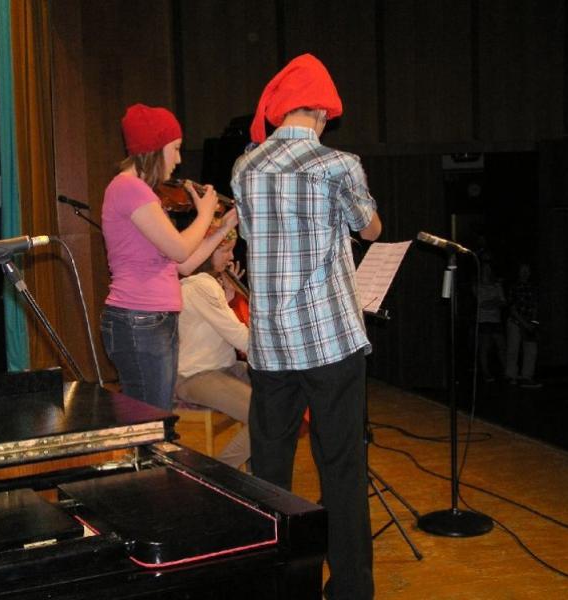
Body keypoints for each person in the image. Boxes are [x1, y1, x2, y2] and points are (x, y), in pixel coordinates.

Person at [231, 54, 381, 600]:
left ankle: (279, 586)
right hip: (330, 339)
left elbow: (251, 236)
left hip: (271, 345)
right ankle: (350, 590)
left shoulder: (244, 168)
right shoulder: (338, 164)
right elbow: (370, 228)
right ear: (320, 110)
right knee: (341, 467)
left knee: (270, 473)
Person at [101, 103, 238, 411]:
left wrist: (222, 228)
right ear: (154, 148)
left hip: (152, 320)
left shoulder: (142, 193)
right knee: (150, 418)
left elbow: (184, 264)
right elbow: (179, 249)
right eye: (175, 149)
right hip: (140, 319)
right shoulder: (129, 188)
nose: (178, 159)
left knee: (154, 415)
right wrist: (205, 214)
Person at [176, 228, 250, 469]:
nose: (231, 257)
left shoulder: (205, 285)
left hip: (222, 368)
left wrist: (227, 299)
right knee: (266, 415)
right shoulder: (201, 285)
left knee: (278, 398)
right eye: (225, 250)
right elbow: (239, 337)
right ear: (205, 252)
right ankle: (218, 475)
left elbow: (210, 329)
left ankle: (257, 477)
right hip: (197, 375)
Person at [505, 262, 541, 388]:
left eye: (527, 270)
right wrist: (524, 323)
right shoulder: (514, 287)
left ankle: (527, 377)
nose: (525, 272)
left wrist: (533, 323)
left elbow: (535, 306)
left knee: (531, 350)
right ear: (519, 272)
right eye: (523, 270)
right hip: (515, 322)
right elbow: (512, 308)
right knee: (513, 349)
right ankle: (511, 376)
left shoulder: (533, 288)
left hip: (529, 323)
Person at [474, 256, 506, 382]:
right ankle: (486, 372)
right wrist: (495, 301)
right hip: (483, 320)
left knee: (501, 345)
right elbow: (482, 303)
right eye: (485, 269)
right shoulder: (477, 286)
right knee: (485, 347)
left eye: (489, 269)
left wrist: (493, 302)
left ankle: (506, 371)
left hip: (496, 320)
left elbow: (503, 302)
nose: (487, 271)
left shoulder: (497, 285)